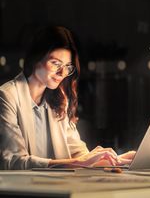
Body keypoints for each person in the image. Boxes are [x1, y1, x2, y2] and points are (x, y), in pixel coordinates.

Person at [0, 26, 135, 169]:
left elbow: (78, 155)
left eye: (67, 66)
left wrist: (118, 160)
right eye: (55, 63)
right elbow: (13, 161)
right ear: (36, 59)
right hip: (21, 189)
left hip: (56, 187)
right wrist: (80, 161)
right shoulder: (7, 96)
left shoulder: (59, 100)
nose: (62, 73)